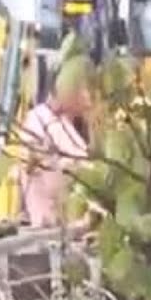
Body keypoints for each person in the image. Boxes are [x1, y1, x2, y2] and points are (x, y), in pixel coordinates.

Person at [17, 58, 93, 228]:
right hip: (54, 231)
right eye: (84, 88)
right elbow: (56, 183)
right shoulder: (39, 123)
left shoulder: (68, 124)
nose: (89, 96)